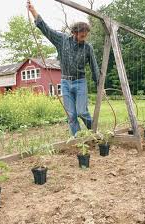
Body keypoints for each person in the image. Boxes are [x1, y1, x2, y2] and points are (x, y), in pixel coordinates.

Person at [27, 0, 100, 136]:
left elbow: (94, 67)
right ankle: (79, 141)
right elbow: (46, 29)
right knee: (71, 116)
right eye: (81, 35)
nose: (84, 38)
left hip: (80, 82)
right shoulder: (62, 40)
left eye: (86, 35)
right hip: (65, 82)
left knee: (82, 112)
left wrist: (99, 86)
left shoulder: (88, 47)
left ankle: (94, 133)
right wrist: (33, 11)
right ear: (74, 33)